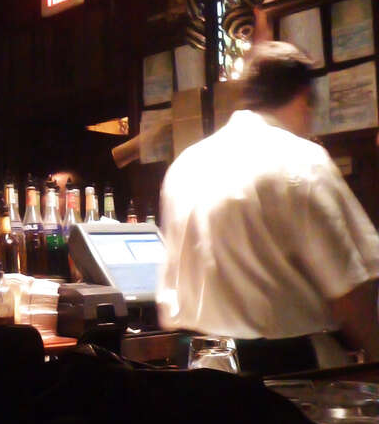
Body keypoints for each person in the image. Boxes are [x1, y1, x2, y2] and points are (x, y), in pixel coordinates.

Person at [156, 41, 379, 374]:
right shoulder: (303, 160)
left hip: (197, 372)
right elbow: (348, 290)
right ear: (304, 98)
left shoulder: (186, 164)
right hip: (286, 372)